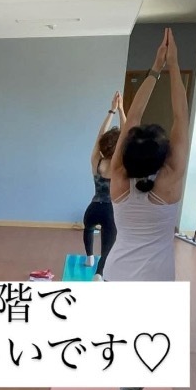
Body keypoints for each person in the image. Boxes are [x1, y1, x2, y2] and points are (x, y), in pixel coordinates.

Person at [103, 28, 188, 390]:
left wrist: (156, 69)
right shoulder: (170, 183)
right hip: (153, 280)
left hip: (116, 273)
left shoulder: (117, 178)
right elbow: (181, 118)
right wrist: (174, 67)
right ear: (163, 156)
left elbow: (132, 120)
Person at [83, 91, 125, 278]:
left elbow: (99, 136)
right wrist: (122, 110)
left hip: (93, 208)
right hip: (111, 211)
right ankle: (99, 273)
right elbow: (128, 133)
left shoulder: (96, 162)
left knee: (88, 227)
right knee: (108, 247)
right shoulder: (120, 165)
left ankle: (89, 257)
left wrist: (112, 111)